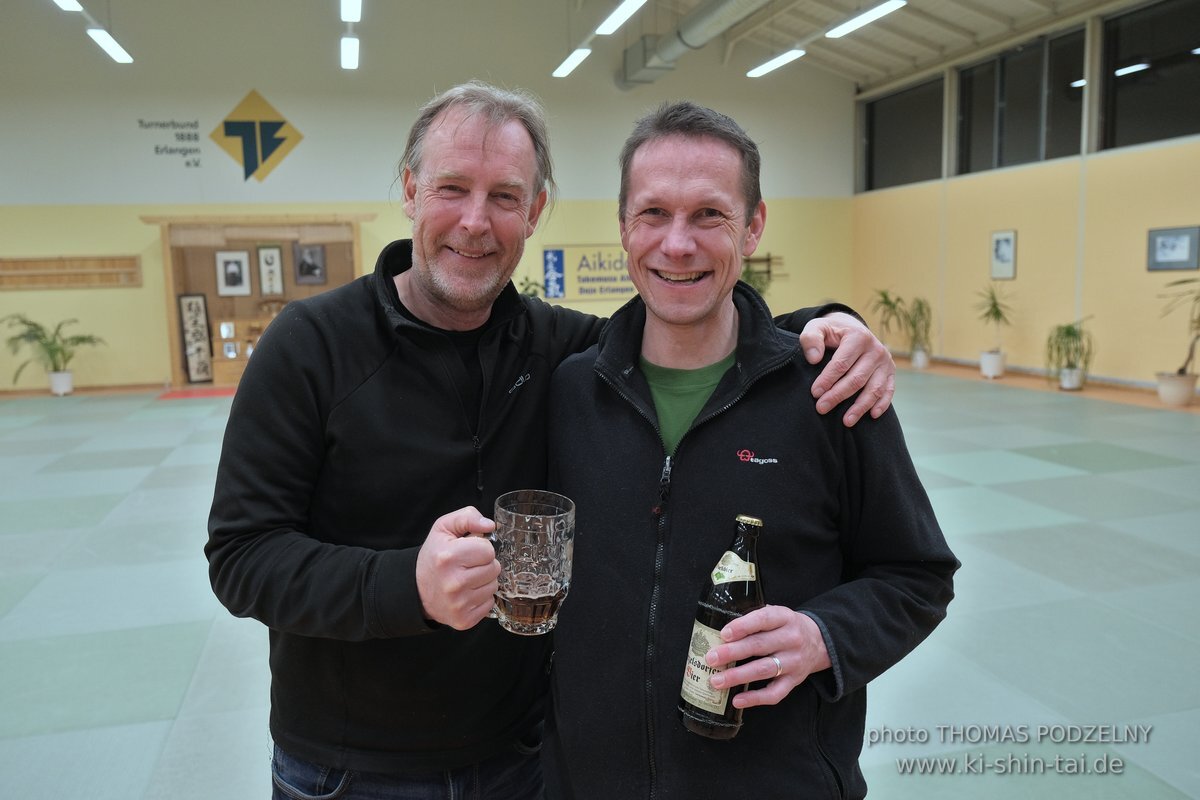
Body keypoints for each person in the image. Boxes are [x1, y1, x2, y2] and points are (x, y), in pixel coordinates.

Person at [206, 82, 896, 799]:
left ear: (534, 212)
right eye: (452, 188)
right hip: (350, 768)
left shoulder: (563, 350)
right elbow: (241, 557)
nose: (476, 222)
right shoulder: (309, 346)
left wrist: (825, 325)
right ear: (410, 190)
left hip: (525, 760)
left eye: (505, 196)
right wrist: (404, 585)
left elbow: (688, 323)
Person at [542, 102, 958, 799]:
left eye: (709, 215)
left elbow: (916, 575)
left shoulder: (829, 392)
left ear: (754, 226)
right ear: (623, 227)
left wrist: (823, 636)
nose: (678, 244)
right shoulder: (570, 393)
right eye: (653, 214)